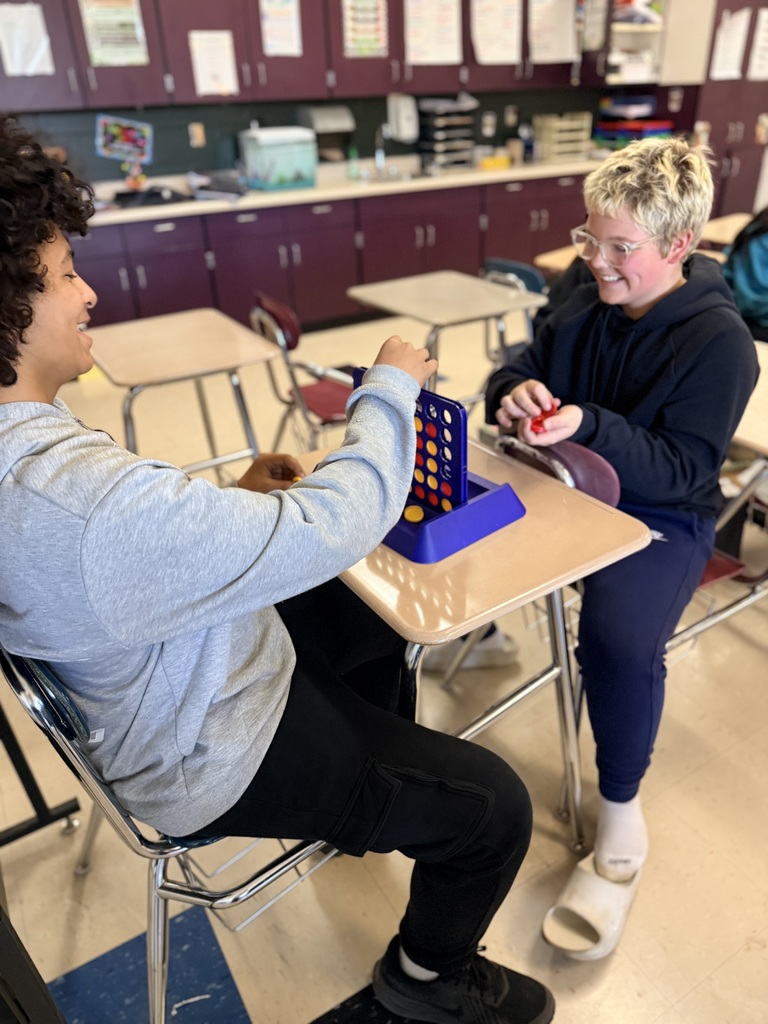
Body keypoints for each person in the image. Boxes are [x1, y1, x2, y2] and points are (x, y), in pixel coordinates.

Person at [0, 115, 554, 1024]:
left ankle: (372, 803)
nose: (88, 293)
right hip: (213, 746)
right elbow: (339, 519)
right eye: (63, 276)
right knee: (494, 806)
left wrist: (238, 508)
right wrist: (389, 388)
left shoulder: (34, 468)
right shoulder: (81, 511)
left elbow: (125, 541)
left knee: (373, 612)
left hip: (164, 678)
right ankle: (426, 981)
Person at [486, 136, 758, 959]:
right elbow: (522, 361)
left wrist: (592, 425)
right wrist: (513, 391)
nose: (594, 262)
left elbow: (682, 468)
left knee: (618, 636)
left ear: (679, 247)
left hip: (660, 511)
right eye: (588, 239)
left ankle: (621, 801)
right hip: (562, 471)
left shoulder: (720, 343)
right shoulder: (582, 286)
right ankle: (475, 631)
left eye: (619, 248)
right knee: (453, 531)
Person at [722, 206, 768, 341]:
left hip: (733, 313)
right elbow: (752, 301)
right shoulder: (760, 237)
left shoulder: (758, 225)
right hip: (753, 321)